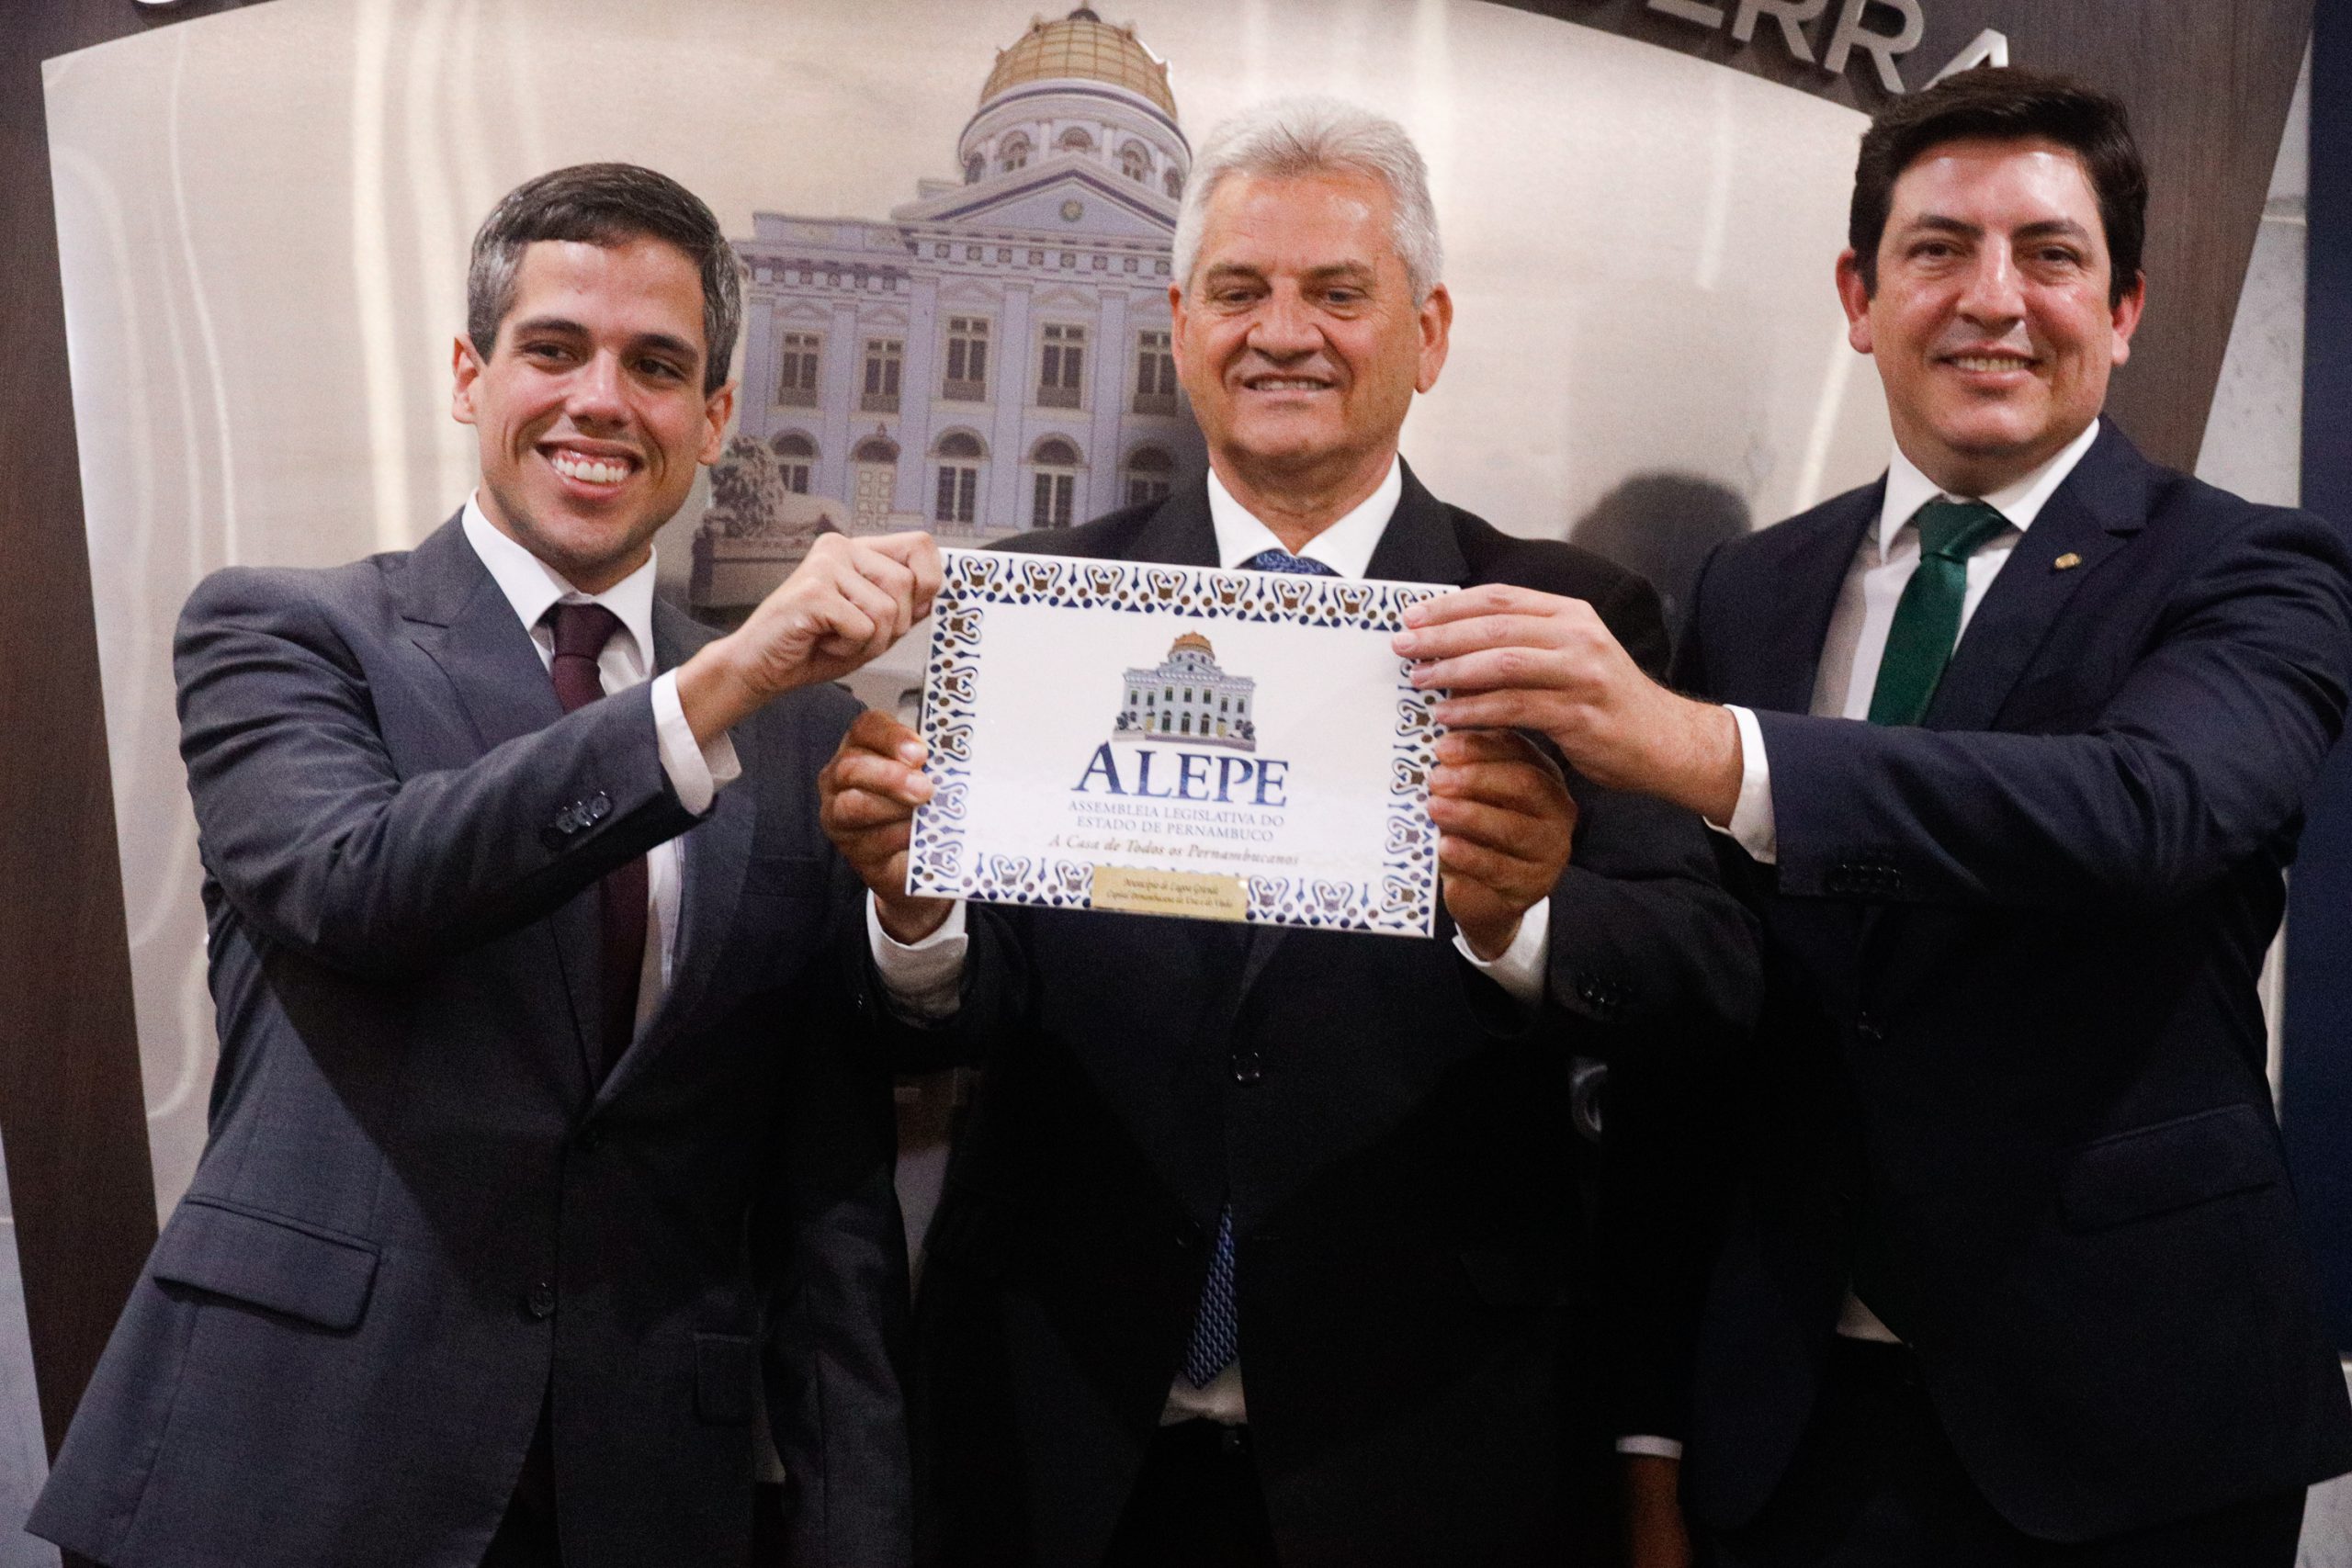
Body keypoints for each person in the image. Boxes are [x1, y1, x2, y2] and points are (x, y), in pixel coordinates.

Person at [1393, 67, 2352, 1566]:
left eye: (2049, 254)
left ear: (2127, 308)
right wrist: (1649, 1422)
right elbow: (1707, 1030)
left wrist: (1706, 748)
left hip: (2130, 1430)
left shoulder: (2251, 570)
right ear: (1859, 292)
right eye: (1937, 249)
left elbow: (2144, 813)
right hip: (1785, 1421)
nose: (1994, 298)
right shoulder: (1753, 589)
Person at [820, 98, 1759, 1567]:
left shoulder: (1561, 622)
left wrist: (1527, 915)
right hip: (1054, 1432)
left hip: (1425, 1444)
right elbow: (953, 1008)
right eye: (1241, 292)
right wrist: (912, 908)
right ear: (1178, 324)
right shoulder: (1036, 605)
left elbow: (1704, 969)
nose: (1285, 333)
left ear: (1430, 332)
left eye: (1339, 293)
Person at [28, 164, 941, 1568]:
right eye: (554, 350)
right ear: (471, 374)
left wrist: (859, 1532)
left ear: (715, 419)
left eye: (655, 365)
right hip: (284, 1470)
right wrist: (716, 692)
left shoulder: (811, 734)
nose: (599, 402)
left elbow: (828, 1202)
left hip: (640, 1496)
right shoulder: (286, 632)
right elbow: (363, 886)